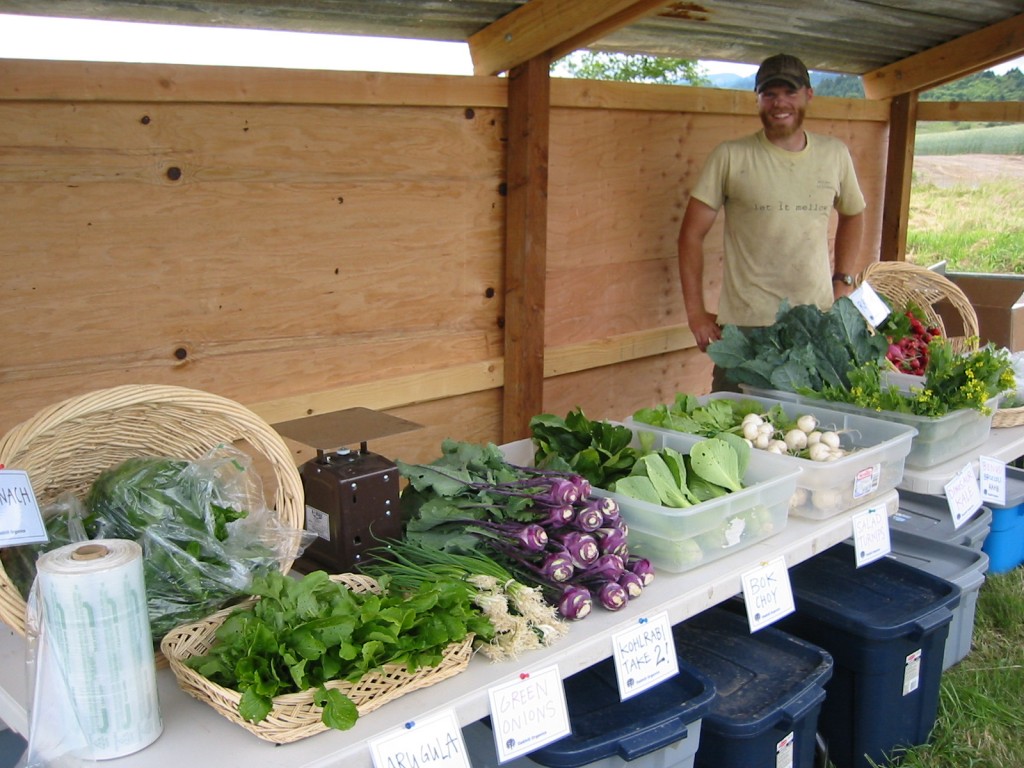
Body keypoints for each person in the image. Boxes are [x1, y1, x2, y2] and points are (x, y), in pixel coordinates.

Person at [678, 53, 867, 390]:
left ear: (809, 95)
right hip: (746, 329)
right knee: (735, 430)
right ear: (758, 100)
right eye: (769, 94)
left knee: (811, 431)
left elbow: (853, 214)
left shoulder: (834, 155)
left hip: (816, 322)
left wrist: (845, 282)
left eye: (790, 92)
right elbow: (690, 235)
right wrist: (696, 313)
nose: (779, 103)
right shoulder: (730, 156)